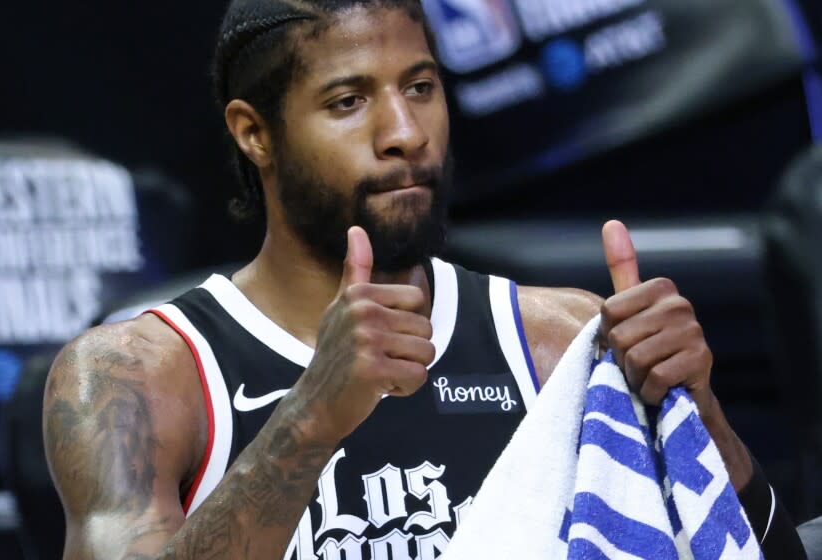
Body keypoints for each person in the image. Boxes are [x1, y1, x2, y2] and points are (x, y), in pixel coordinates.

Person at [42, 0, 806, 558]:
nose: (404, 134)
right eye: (348, 101)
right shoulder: (135, 377)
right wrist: (309, 419)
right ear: (254, 132)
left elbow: (767, 555)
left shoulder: (558, 341)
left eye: (419, 87)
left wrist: (699, 412)